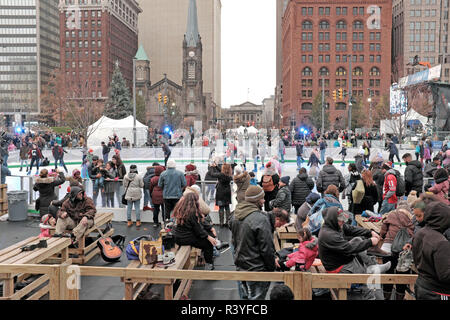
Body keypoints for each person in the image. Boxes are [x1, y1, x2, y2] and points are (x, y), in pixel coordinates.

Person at [318, 207, 391, 300]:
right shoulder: (328, 235)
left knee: (357, 239)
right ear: (333, 220)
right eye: (341, 220)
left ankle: (373, 266)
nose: (343, 222)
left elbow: (351, 229)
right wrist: (370, 242)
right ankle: (369, 296)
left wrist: (370, 232)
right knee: (364, 275)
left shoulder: (336, 226)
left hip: (342, 258)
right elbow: (349, 248)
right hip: (338, 266)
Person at [230, 186, 276, 300]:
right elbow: (267, 247)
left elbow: (234, 240)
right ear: (256, 200)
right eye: (262, 198)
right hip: (257, 269)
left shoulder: (235, 214)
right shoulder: (260, 219)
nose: (264, 200)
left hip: (241, 265)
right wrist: (271, 267)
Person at [412, 201, 450, 300]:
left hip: (422, 285)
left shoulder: (420, 233)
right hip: (436, 291)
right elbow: (445, 275)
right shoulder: (441, 242)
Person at [379, 199, 415, 300]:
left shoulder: (391, 214)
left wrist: (383, 236)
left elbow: (383, 230)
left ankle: (386, 297)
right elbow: (413, 234)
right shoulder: (411, 219)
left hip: (387, 248)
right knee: (402, 275)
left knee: (388, 273)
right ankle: (399, 297)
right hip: (403, 250)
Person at [173, 192, 216, 270]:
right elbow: (198, 230)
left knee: (208, 236)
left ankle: (213, 248)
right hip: (186, 239)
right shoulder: (192, 212)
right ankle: (209, 264)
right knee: (208, 243)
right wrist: (209, 237)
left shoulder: (182, 209)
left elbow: (200, 223)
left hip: (179, 237)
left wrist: (210, 229)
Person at [208, 163, 233, 227]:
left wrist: (211, 167)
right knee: (227, 207)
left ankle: (221, 223)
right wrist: (216, 166)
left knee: (221, 207)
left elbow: (212, 174)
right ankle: (228, 222)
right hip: (227, 192)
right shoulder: (229, 174)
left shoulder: (221, 175)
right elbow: (222, 171)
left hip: (220, 192)